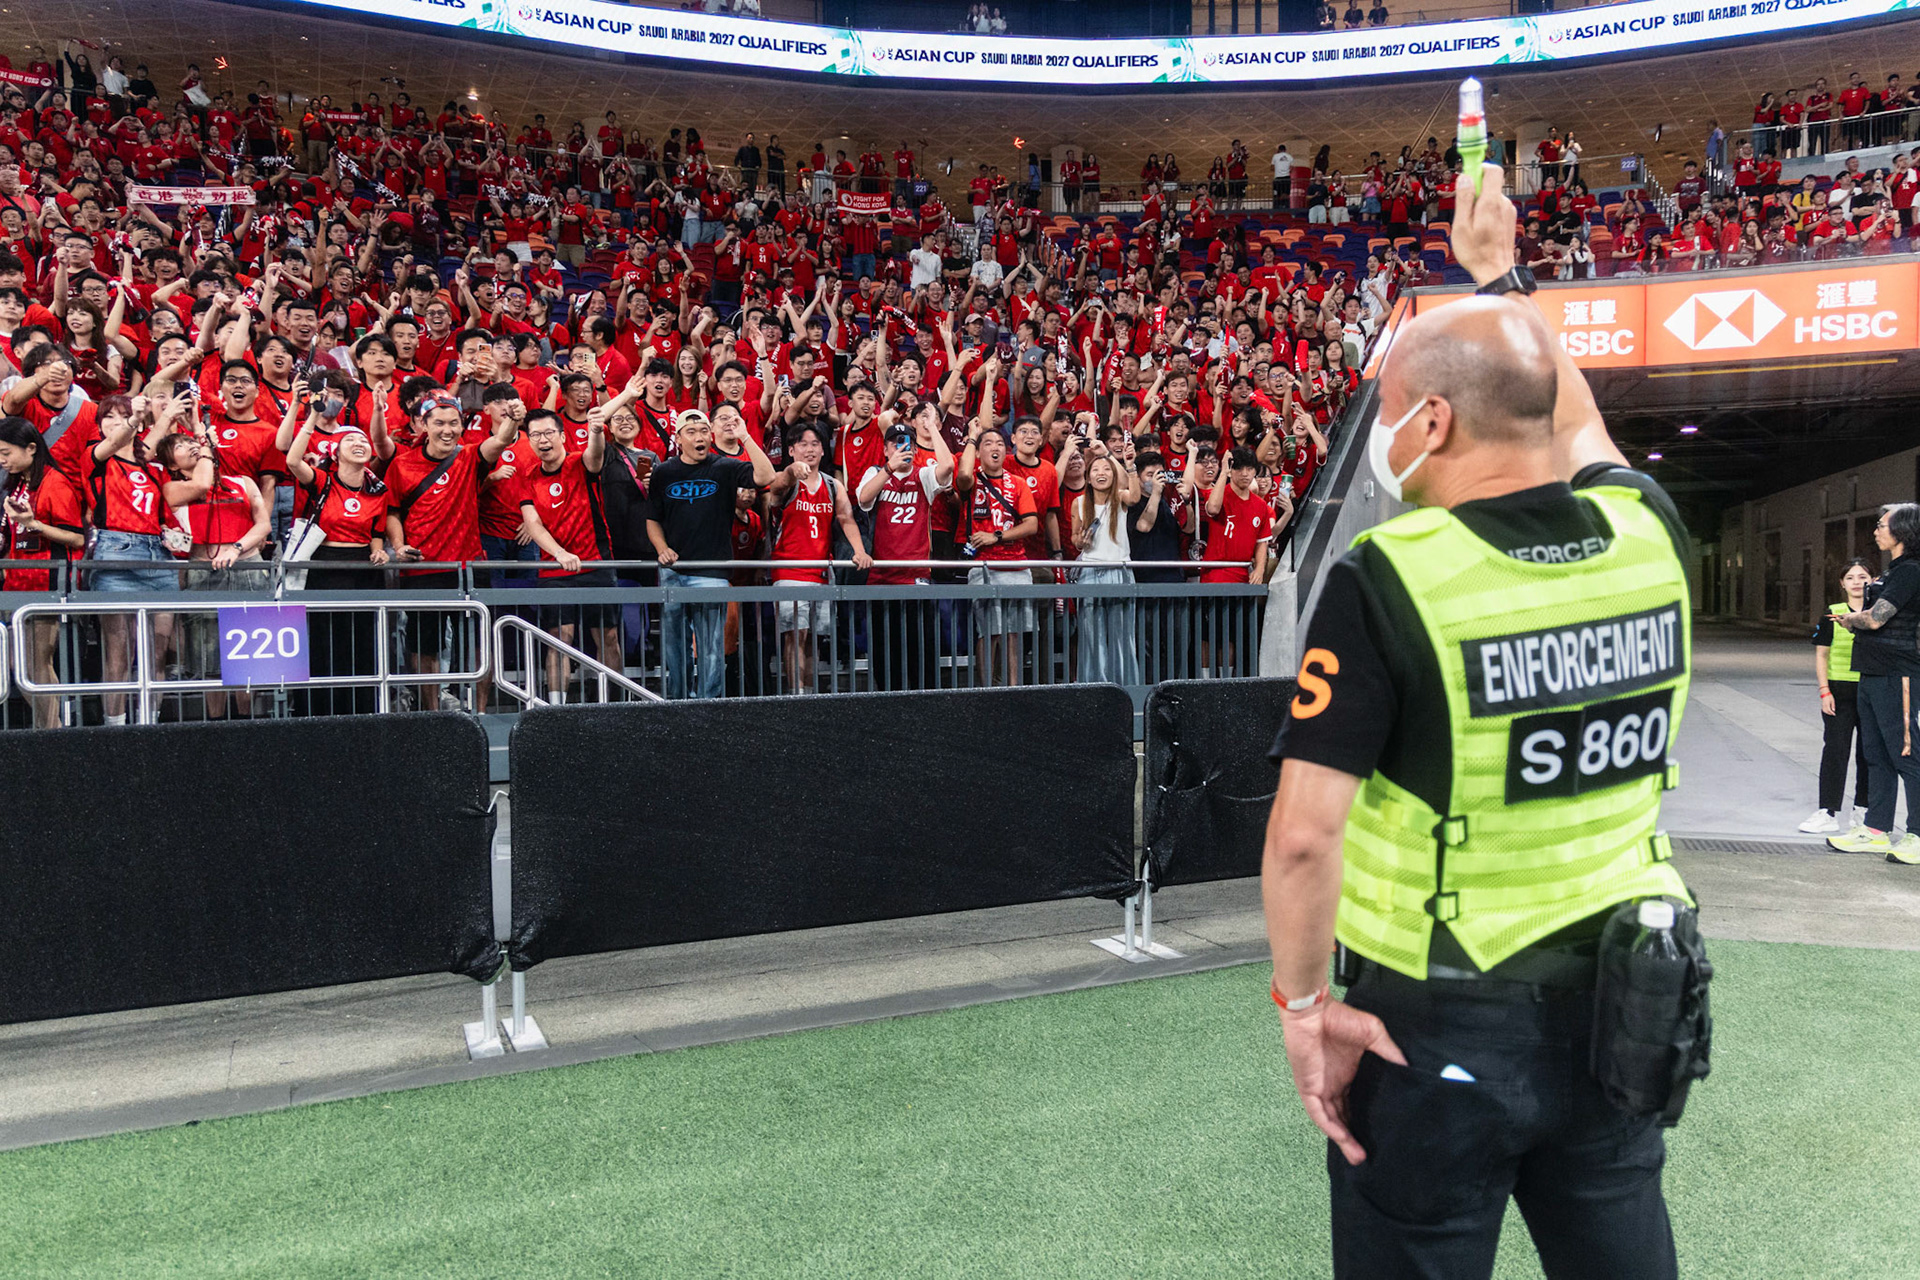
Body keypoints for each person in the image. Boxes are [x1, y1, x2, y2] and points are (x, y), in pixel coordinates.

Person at [1264, 161, 1701, 1278]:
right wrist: (1502, 278)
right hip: (1626, 1008)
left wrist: (1304, 1007)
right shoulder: (1647, 530)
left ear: (1434, 419)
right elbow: (1578, 412)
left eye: (1391, 406)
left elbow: (1306, 834)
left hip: (1434, 1024)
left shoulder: (1389, 573)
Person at [89, 395, 213, 724]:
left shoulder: (154, 470)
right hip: (115, 556)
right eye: (108, 417)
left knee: (156, 651)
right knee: (118, 652)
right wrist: (144, 420)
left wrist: (189, 425)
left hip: (158, 558)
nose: (115, 422)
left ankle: (149, 727)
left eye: (123, 416)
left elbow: (199, 483)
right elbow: (122, 443)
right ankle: (114, 732)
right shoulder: (97, 457)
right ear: (99, 426)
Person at [647, 409, 775, 700]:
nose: (699, 436)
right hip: (673, 571)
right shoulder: (665, 472)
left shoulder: (725, 467)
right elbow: (652, 518)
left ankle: (707, 707)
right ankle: (677, 704)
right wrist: (661, 548)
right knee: (675, 650)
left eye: (704, 430)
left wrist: (744, 435)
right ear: (678, 439)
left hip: (712, 572)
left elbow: (767, 475)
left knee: (711, 650)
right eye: (691, 432)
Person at [1829, 506, 1920, 864]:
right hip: (1870, 672)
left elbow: (1878, 619)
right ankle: (1877, 830)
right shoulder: (1891, 572)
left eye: (1882, 526)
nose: (1877, 531)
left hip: (1897, 674)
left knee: (1906, 754)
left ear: (1903, 531)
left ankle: (1917, 834)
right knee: (1876, 756)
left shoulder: (1911, 572)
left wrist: (1851, 619)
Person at [517, 406, 614, 702]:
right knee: (559, 639)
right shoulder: (527, 476)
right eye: (535, 435)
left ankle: (616, 701)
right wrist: (559, 553)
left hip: (596, 564)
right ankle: (556, 707)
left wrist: (595, 430)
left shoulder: (580, 463)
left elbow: (595, 455)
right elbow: (533, 523)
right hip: (554, 570)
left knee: (608, 637)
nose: (543, 440)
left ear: (562, 436)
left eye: (548, 433)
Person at [766, 422, 871, 693]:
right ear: (791, 450)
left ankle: (809, 692)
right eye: (803, 444)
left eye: (815, 444)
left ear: (823, 450)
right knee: (795, 635)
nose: (810, 449)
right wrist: (791, 471)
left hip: (821, 571)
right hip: (789, 571)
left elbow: (846, 518)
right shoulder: (787, 479)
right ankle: (795, 691)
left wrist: (859, 550)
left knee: (813, 639)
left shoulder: (833, 485)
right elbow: (776, 489)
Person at [0, 415, 85, 726]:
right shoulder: (18, 484)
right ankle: (51, 730)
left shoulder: (55, 481)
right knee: (18, 665)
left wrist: (34, 524)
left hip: (44, 586)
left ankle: (50, 734)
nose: (2, 460)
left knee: (36, 664)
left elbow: (77, 537)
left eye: (6, 452)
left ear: (32, 448)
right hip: (16, 587)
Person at [857, 419, 953, 691]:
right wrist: (890, 468)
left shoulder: (923, 475)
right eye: (896, 443)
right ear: (886, 449)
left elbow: (947, 467)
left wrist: (933, 428)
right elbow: (864, 498)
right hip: (881, 581)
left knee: (921, 655)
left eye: (907, 443)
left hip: (916, 580)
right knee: (885, 656)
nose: (903, 447)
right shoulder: (874, 473)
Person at [1801, 559, 1874, 835]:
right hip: (1838, 694)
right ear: (1842, 584)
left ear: (1873, 580)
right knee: (1835, 751)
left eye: (1863, 576)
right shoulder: (1832, 614)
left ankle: (1862, 811)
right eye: (1851, 577)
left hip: (1871, 691)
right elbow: (1822, 655)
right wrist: (1824, 691)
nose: (1857, 582)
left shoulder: (1878, 613)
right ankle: (1827, 812)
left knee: (1868, 754)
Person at [1066, 433, 1141, 687]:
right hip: (1089, 572)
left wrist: (1116, 458)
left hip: (1120, 570)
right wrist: (1081, 542)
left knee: (1122, 637)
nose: (1101, 473)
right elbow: (1075, 538)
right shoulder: (1078, 503)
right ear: (1088, 478)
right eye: (1095, 469)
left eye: (1105, 469)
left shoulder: (1119, 497)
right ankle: (1095, 691)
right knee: (1092, 638)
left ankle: (1125, 689)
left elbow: (1135, 495)